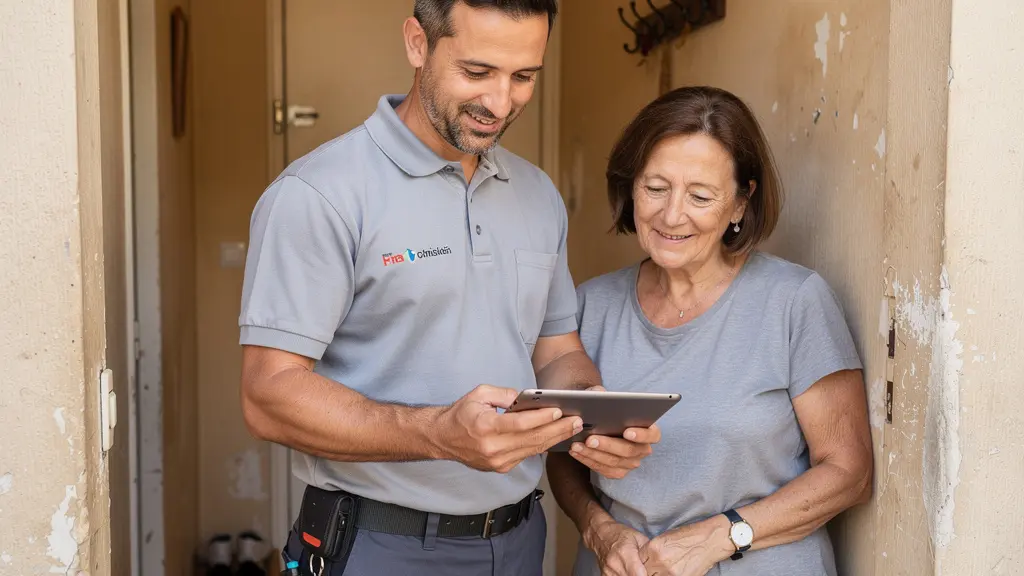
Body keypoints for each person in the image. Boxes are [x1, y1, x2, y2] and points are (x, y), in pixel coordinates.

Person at [237, 2, 658, 574]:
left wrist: (595, 420)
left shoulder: (537, 195)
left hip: (518, 538)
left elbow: (557, 352)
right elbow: (268, 397)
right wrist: (437, 433)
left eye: (524, 77)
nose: (501, 103)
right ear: (417, 43)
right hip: (377, 544)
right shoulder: (319, 194)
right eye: (477, 72)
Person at [547, 86, 874, 576]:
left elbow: (849, 473)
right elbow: (564, 453)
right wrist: (597, 527)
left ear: (741, 203)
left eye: (700, 196)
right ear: (630, 186)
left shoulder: (794, 301)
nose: (672, 214)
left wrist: (721, 536)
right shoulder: (590, 305)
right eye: (656, 188)